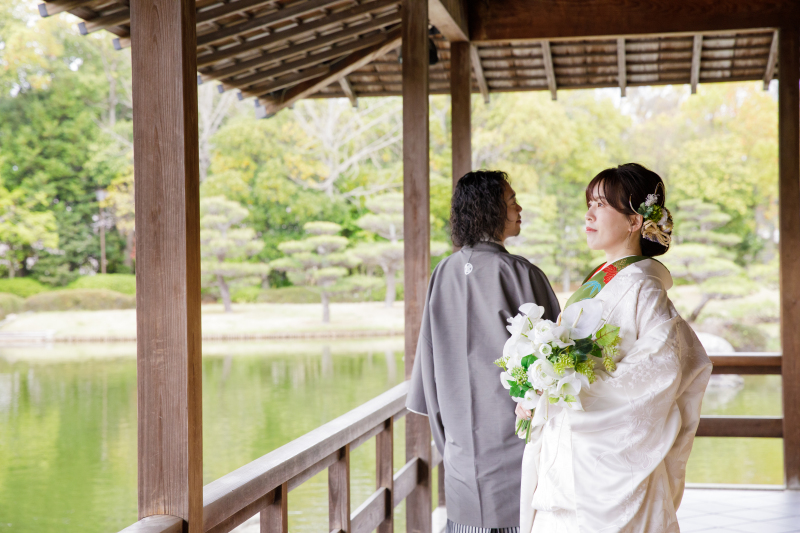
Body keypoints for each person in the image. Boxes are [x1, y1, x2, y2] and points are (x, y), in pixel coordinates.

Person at [516, 163, 713, 533]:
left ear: (635, 221)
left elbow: (661, 370)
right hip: (570, 448)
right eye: (589, 203)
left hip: (603, 455)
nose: (588, 214)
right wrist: (541, 383)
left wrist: (571, 388)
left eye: (601, 205)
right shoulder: (603, 277)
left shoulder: (643, 286)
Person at [407, 170, 561, 533]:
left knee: (465, 518)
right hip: (514, 435)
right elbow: (558, 359)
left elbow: (427, 359)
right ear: (490, 209)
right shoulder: (521, 273)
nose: (519, 208)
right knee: (519, 516)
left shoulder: (442, 273)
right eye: (510, 202)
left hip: (459, 438)